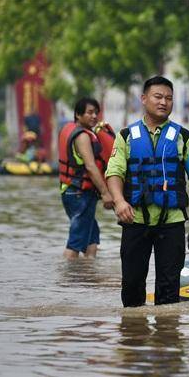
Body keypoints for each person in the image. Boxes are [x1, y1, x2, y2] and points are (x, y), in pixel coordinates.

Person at [106, 75, 189, 307]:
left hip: (171, 221)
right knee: (132, 286)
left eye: (169, 98)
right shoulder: (126, 136)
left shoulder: (183, 137)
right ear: (144, 99)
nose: (164, 102)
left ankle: (167, 339)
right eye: (158, 96)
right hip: (135, 218)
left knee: (169, 288)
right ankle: (134, 335)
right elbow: (114, 172)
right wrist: (119, 201)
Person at [58, 97, 114, 259]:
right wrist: (105, 193)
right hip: (78, 194)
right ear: (78, 114)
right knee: (75, 242)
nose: (94, 116)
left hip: (72, 192)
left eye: (96, 112)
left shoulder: (70, 129)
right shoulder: (82, 137)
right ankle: (68, 279)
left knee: (92, 239)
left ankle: (87, 276)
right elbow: (90, 166)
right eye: (89, 113)